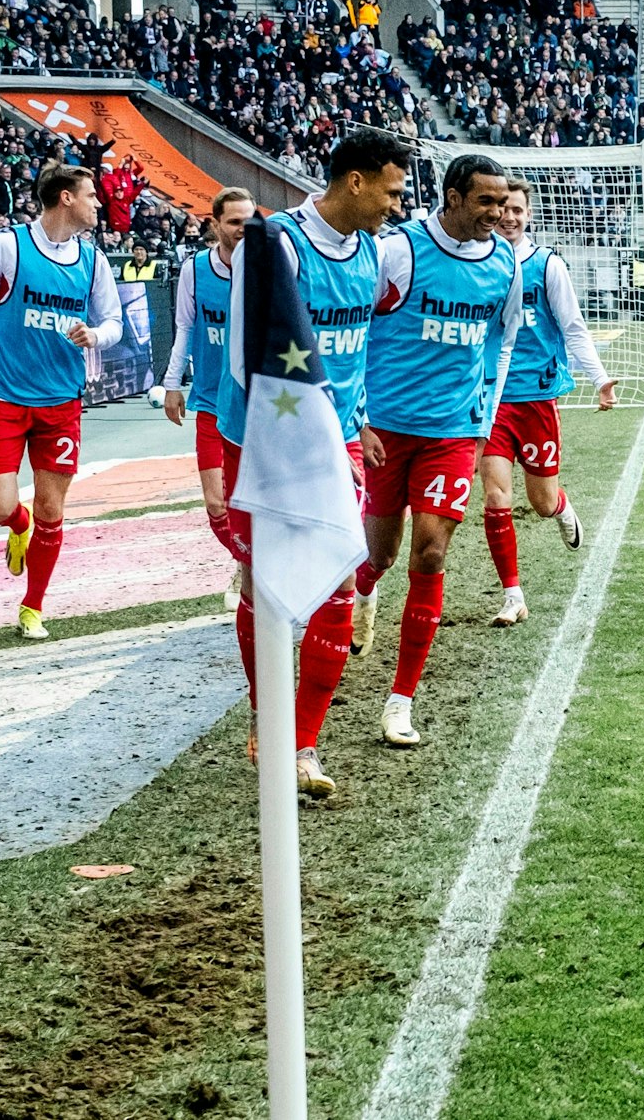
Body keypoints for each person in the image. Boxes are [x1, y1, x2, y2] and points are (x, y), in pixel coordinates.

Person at [225, 130, 407, 796]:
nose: (397, 205)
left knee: (337, 579)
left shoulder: (373, 251)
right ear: (355, 181)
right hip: (263, 438)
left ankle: (301, 744)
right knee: (262, 585)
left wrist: (358, 419)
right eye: (391, 190)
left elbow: (356, 348)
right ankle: (265, 711)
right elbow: (245, 357)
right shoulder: (276, 245)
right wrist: (284, 443)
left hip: (337, 443)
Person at [353, 153, 523, 745]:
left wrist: (482, 422)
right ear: (453, 197)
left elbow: (501, 342)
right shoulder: (398, 250)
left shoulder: (505, 263)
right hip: (386, 429)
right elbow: (354, 329)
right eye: (486, 201)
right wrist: (359, 417)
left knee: (429, 552)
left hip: (452, 432)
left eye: (503, 203)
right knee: (380, 554)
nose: (497, 214)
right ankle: (364, 590)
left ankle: (400, 701)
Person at [0, 164, 121, 640]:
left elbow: (113, 322)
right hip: (4, 397)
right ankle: (16, 526)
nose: (98, 203)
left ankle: (33, 607)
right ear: (66, 198)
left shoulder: (93, 260)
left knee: (51, 509)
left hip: (61, 402)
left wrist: (95, 335)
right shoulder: (6, 246)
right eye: (91, 195)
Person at [481, 178, 617, 628]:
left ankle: (561, 507)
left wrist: (599, 378)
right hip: (492, 399)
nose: (509, 217)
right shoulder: (479, 264)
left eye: (518, 210)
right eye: (503, 209)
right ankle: (512, 596)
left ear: (529, 215)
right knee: (496, 496)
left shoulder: (547, 265)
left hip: (537, 399)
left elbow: (573, 327)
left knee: (540, 502)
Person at [161, 187, 254, 607]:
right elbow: (184, 326)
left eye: (249, 221)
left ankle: (257, 570)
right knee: (217, 504)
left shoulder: (269, 267)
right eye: (234, 222)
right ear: (215, 224)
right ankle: (246, 563)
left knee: (262, 499)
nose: (243, 229)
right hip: (213, 402)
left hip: (257, 407)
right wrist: (172, 383)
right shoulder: (196, 270)